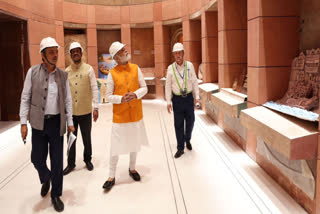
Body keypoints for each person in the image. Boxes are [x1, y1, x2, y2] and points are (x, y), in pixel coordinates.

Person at [19, 37, 75, 212]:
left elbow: (67, 100)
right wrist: (23, 122)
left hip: (57, 123)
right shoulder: (32, 72)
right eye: (51, 52)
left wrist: (71, 122)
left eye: (56, 51)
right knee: (37, 158)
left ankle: (56, 194)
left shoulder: (62, 75)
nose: (55, 55)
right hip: (38, 123)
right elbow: (25, 97)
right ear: (42, 55)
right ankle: (46, 178)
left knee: (57, 160)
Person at [102, 41, 148, 191]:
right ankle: (111, 175)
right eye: (122, 51)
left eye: (124, 49)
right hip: (120, 116)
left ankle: (132, 168)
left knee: (134, 143)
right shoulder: (112, 74)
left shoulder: (136, 68)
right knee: (115, 146)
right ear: (116, 57)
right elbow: (108, 96)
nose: (125, 51)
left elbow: (144, 88)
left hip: (135, 114)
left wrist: (135, 94)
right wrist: (121, 98)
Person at [63, 42, 99, 175]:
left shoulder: (89, 69)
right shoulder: (66, 72)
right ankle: (70, 163)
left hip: (85, 111)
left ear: (81, 53)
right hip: (71, 113)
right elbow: (64, 92)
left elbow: (95, 88)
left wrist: (96, 107)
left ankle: (87, 159)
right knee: (71, 138)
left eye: (78, 51)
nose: (76, 53)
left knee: (86, 137)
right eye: (73, 51)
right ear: (71, 55)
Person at [165, 42, 200, 158]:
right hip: (177, 100)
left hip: (189, 98)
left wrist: (197, 98)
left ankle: (187, 139)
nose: (178, 55)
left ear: (183, 53)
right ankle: (180, 147)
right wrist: (168, 102)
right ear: (174, 55)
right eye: (175, 53)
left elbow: (194, 82)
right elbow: (168, 86)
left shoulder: (189, 66)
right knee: (178, 124)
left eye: (179, 53)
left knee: (191, 121)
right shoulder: (170, 68)